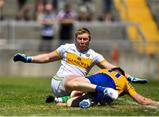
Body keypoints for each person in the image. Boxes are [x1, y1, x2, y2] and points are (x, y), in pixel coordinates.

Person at [13, 27, 147, 101]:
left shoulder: (94, 55)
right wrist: (27, 59)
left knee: (93, 85)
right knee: (83, 81)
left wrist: (130, 77)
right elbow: (47, 57)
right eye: (80, 39)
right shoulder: (66, 48)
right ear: (75, 39)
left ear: (89, 40)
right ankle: (101, 91)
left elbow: (111, 68)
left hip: (77, 86)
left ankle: (62, 100)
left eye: (85, 39)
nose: (83, 41)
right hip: (60, 82)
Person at [55, 68, 159, 108]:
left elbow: (81, 87)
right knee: (102, 100)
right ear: (122, 74)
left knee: (73, 92)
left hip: (97, 80)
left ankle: (70, 100)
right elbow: (142, 100)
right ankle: (92, 100)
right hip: (110, 89)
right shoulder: (124, 81)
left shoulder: (103, 70)